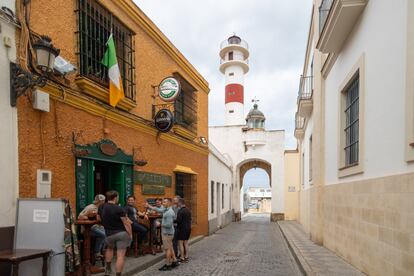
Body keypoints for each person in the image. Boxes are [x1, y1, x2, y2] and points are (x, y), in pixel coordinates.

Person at [98, 190, 132, 276]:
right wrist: (130, 235)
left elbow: (98, 218)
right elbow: (126, 223)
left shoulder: (101, 206)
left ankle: (108, 270)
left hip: (108, 233)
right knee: (120, 256)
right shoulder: (119, 208)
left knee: (109, 249)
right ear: (115, 197)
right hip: (121, 234)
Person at [146, 198, 179, 271]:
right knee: (170, 247)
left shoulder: (169, 212)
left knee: (167, 249)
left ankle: (168, 265)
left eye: (164, 202)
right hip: (168, 233)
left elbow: (169, 224)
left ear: (169, 203)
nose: (163, 203)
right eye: (163, 202)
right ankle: (175, 261)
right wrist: (149, 206)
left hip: (167, 233)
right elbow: (159, 210)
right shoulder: (166, 209)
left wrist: (161, 224)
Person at [78, 194, 106, 260]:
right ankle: (97, 252)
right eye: (102, 201)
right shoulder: (90, 207)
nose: (103, 202)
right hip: (87, 229)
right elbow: (80, 216)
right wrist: (87, 217)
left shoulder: (100, 208)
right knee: (103, 235)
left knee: (108, 233)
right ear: (99, 201)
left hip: (96, 227)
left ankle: (102, 251)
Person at [176, 198, 191, 263]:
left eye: (178, 203)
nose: (177, 204)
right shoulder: (188, 210)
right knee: (186, 243)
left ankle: (182, 257)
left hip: (182, 229)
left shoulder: (180, 211)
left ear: (180, 203)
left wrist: (173, 220)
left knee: (180, 243)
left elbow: (178, 221)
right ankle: (186, 256)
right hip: (188, 228)